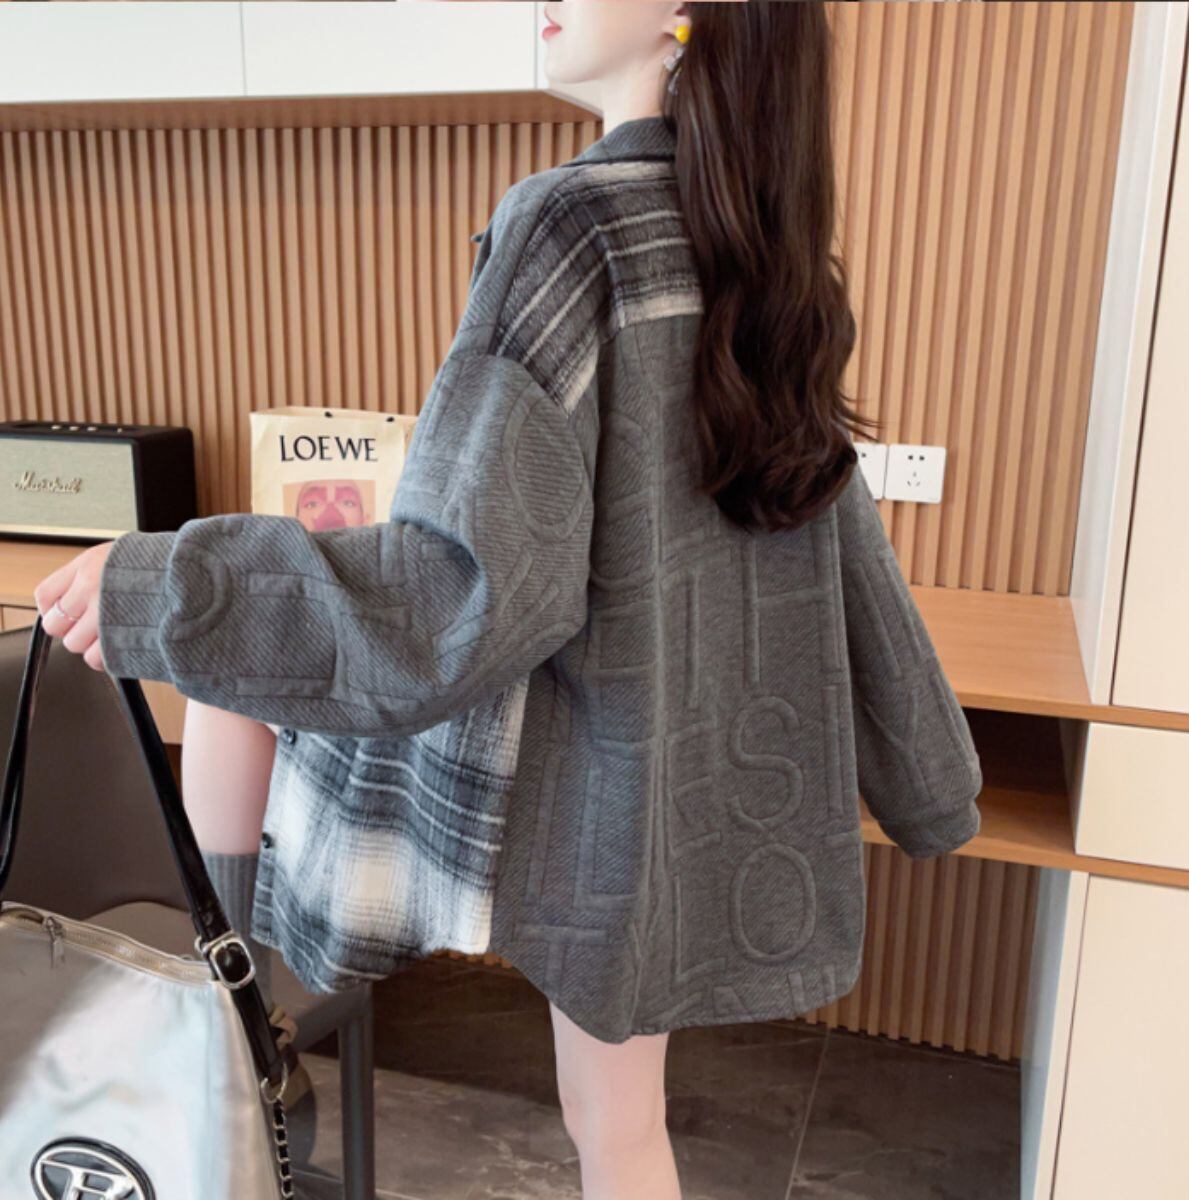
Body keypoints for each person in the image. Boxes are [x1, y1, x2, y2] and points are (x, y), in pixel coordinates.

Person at [33, 4, 984, 1199]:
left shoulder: (569, 226)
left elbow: (458, 595)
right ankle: (236, 1021)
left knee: (231, 672)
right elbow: (840, 536)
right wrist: (931, 783)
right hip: (665, 783)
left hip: (565, 763)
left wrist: (162, 576)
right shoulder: (763, 244)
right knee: (619, 1128)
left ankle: (230, 1024)